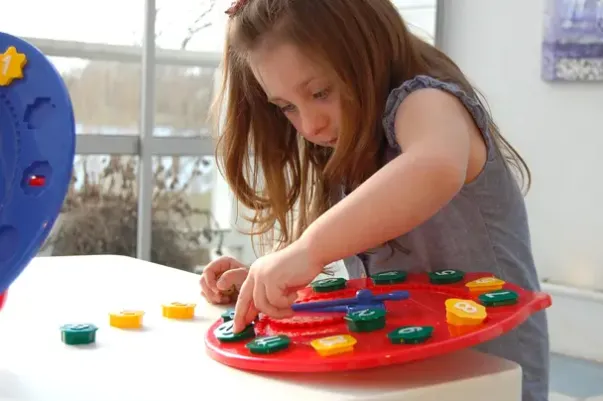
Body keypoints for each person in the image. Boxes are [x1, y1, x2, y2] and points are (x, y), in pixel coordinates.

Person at [200, 0, 549, 400]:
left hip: (490, 373)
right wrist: (270, 283)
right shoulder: (350, 140)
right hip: (403, 370)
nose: (310, 124)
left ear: (366, 49)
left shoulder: (427, 101)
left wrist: (308, 249)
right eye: (287, 107)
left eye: (320, 92)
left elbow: (434, 167)